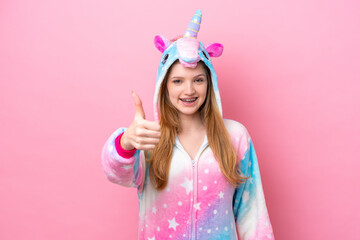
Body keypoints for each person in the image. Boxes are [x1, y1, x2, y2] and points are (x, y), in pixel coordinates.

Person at [101, 10, 274, 240]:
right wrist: (126, 143)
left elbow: (253, 217)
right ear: (165, 86)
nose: (189, 90)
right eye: (178, 81)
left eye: (198, 80)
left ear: (209, 83)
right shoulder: (148, 138)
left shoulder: (236, 136)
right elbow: (115, 172)